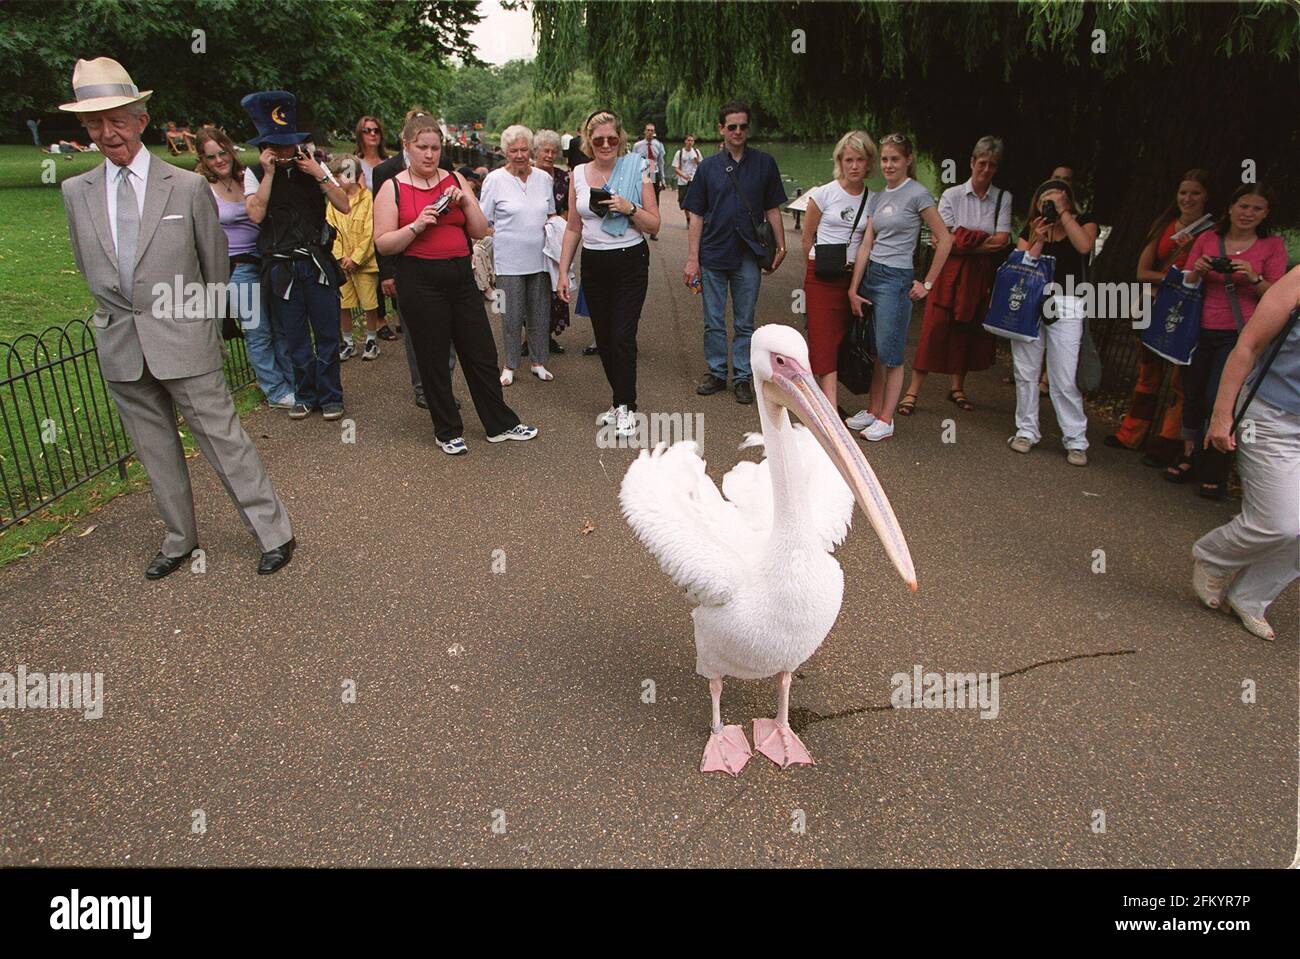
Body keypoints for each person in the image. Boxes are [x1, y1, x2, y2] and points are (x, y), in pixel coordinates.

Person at [58, 57, 294, 577]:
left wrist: (201, 331)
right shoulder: (76, 192)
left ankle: (273, 532)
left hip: (185, 338)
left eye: (117, 119)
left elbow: (214, 270)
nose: (107, 132)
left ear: (141, 120)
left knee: (224, 441)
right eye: (95, 123)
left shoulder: (186, 188)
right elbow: (87, 265)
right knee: (154, 449)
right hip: (121, 344)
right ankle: (178, 538)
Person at [373, 113, 537, 454]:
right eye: (422, 148)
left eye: (435, 148)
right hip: (418, 279)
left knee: (480, 352)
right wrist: (416, 226)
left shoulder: (453, 179)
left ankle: (499, 423)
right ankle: (446, 429)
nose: (430, 155)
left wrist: (466, 201)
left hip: (460, 275)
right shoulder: (393, 187)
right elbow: (383, 243)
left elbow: (480, 229)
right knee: (433, 357)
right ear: (407, 147)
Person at [1193, 265, 1300, 641]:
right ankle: (1214, 555)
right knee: (1282, 522)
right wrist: (1223, 415)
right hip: (1272, 415)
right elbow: (1248, 345)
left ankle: (1252, 597)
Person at [241, 90, 351, 422]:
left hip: (316, 263)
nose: (285, 151)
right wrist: (271, 175)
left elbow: (344, 204)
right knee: (295, 336)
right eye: (277, 145)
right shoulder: (255, 174)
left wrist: (318, 173)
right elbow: (256, 215)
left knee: (328, 332)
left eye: (289, 144)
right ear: (264, 146)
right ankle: (306, 393)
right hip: (281, 266)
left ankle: (331, 395)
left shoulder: (314, 167)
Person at [1176, 183, 1287, 498]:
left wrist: (1253, 277)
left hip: (1240, 333)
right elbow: (1184, 281)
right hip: (1199, 327)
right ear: (1230, 207)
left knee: (1219, 400)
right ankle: (1191, 456)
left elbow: (1279, 295)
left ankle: (1215, 471)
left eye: (1256, 208)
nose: (1248, 213)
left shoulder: (1272, 246)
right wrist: (1197, 270)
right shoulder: (1209, 238)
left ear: (1266, 213)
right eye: (1243, 206)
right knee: (1193, 395)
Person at [557, 109, 660, 437]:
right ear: (589, 140)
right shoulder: (577, 174)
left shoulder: (636, 168)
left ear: (620, 139)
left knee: (622, 336)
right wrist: (563, 272)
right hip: (595, 262)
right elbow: (573, 227)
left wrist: (629, 208)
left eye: (611, 139)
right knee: (603, 338)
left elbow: (654, 223)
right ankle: (619, 402)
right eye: (598, 139)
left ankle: (627, 406)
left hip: (630, 260)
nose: (605, 144)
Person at [846, 133, 953, 441]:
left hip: (896, 279)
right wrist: (855, 287)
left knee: (891, 352)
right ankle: (873, 408)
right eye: (884, 159)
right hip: (873, 277)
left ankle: (887, 419)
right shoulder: (878, 197)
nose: (889, 165)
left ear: (908, 160)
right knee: (876, 349)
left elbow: (945, 239)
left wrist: (928, 283)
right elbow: (867, 243)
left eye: (895, 159)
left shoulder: (918, 194)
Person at [682, 100, 787, 405]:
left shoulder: (764, 163)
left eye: (743, 126)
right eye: (732, 127)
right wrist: (692, 258)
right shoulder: (708, 167)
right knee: (713, 319)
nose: (738, 132)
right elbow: (696, 214)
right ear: (721, 129)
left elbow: (772, 208)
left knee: (744, 321)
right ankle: (716, 372)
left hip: (748, 254)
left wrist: (780, 245)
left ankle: (742, 376)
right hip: (713, 252)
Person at [1104, 169, 1212, 465]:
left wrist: (1167, 280)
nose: (1187, 198)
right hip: (1151, 305)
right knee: (1147, 375)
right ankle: (1132, 433)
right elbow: (1143, 272)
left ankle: (1168, 442)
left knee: (1179, 381)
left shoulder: (1211, 234)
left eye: (1195, 193)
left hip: (1186, 313)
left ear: (1207, 197)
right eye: (1183, 192)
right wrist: (1177, 279)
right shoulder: (1163, 225)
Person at [901, 135, 1011, 416]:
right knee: (935, 327)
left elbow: (1002, 241)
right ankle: (912, 391)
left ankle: (957, 387)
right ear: (973, 162)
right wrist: (972, 241)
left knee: (968, 327)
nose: (986, 170)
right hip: (949, 271)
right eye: (982, 163)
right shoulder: (952, 195)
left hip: (978, 275)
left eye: (992, 166)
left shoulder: (1002, 199)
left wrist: (961, 241)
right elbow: (942, 240)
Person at [194, 125, 296, 410]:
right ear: (203, 160)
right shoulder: (203, 188)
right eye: (211, 156)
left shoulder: (248, 176)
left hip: (267, 259)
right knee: (257, 330)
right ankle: (275, 390)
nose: (219, 160)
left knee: (281, 326)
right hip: (237, 268)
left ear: (230, 150)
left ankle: (293, 381)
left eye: (222, 153)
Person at [1004, 179, 1099, 465]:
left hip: (1067, 303)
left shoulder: (1084, 222)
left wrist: (1065, 215)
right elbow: (1020, 264)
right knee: (1026, 371)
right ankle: (1026, 430)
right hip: (1031, 300)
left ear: (1068, 200)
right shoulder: (1033, 226)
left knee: (1063, 376)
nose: (1050, 204)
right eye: (1045, 199)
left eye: (1056, 199)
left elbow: (1084, 246)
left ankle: (1076, 439)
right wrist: (1038, 240)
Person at [801, 130, 875, 400]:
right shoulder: (823, 194)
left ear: (868, 163)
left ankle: (824, 399)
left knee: (842, 339)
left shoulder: (873, 200)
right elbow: (807, 239)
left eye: (860, 160)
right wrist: (818, 268)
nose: (854, 166)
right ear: (840, 161)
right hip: (821, 276)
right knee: (823, 340)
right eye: (848, 160)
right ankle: (829, 405)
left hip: (851, 278)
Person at [479, 126, 556, 385]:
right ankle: (510, 364)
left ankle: (538, 361)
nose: (520, 155)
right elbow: (482, 220)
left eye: (524, 149)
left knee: (539, 312)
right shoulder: (494, 180)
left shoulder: (544, 178)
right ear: (505, 152)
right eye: (514, 151)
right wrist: (500, 234)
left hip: (540, 258)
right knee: (510, 314)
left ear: (531, 150)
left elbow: (551, 214)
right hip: (508, 260)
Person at [326, 155, 382, 362]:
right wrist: (340, 257)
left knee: (369, 303)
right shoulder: (333, 201)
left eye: (341, 174)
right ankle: (348, 342)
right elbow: (331, 228)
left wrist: (357, 258)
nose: (339, 179)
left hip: (364, 264)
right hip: (342, 264)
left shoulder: (368, 200)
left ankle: (371, 339)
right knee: (344, 304)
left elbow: (370, 232)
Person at [533, 129, 569, 354]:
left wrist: (556, 222)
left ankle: (546, 336)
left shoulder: (563, 178)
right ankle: (530, 337)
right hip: (532, 238)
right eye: (545, 150)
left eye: (553, 151)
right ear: (536, 151)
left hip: (555, 239)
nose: (549, 155)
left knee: (554, 286)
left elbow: (570, 210)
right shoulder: (526, 175)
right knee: (533, 287)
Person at [632, 122, 666, 234]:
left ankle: (654, 225)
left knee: (654, 199)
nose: (650, 132)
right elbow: (633, 161)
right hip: (642, 171)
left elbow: (661, 163)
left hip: (652, 170)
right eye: (648, 130)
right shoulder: (638, 145)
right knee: (640, 197)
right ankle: (640, 221)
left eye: (652, 130)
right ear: (645, 131)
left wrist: (663, 179)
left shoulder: (659, 145)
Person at [672, 133, 703, 225]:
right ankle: (688, 217)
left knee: (694, 199)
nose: (690, 142)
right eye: (688, 140)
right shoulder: (679, 153)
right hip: (683, 180)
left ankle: (693, 220)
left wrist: (697, 161)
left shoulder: (696, 152)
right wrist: (683, 175)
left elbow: (702, 166)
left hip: (694, 179)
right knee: (683, 200)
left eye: (692, 141)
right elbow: (676, 168)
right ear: (685, 141)